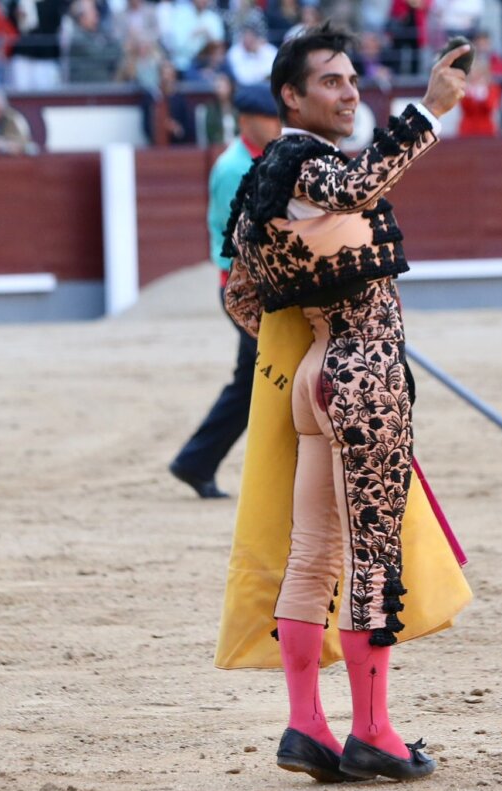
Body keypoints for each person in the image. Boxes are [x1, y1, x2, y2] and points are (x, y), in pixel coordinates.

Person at [220, 23, 468, 783]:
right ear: (291, 96)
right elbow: (357, 186)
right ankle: (374, 732)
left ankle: (307, 727)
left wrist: (315, 338)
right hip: (364, 379)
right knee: (372, 560)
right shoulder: (307, 160)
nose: (351, 91)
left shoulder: (260, 180)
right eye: (331, 81)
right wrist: (427, 112)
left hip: (319, 378)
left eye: (353, 79)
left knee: (315, 555)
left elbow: (240, 295)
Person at [168, 85, 282, 499]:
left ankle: (196, 462)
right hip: (249, 293)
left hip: (253, 289)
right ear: (246, 120)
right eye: (271, 118)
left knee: (254, 382)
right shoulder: (238, 167)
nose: (277, 124)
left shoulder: (255, 159)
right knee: (281, 379)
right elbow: (244, 239)